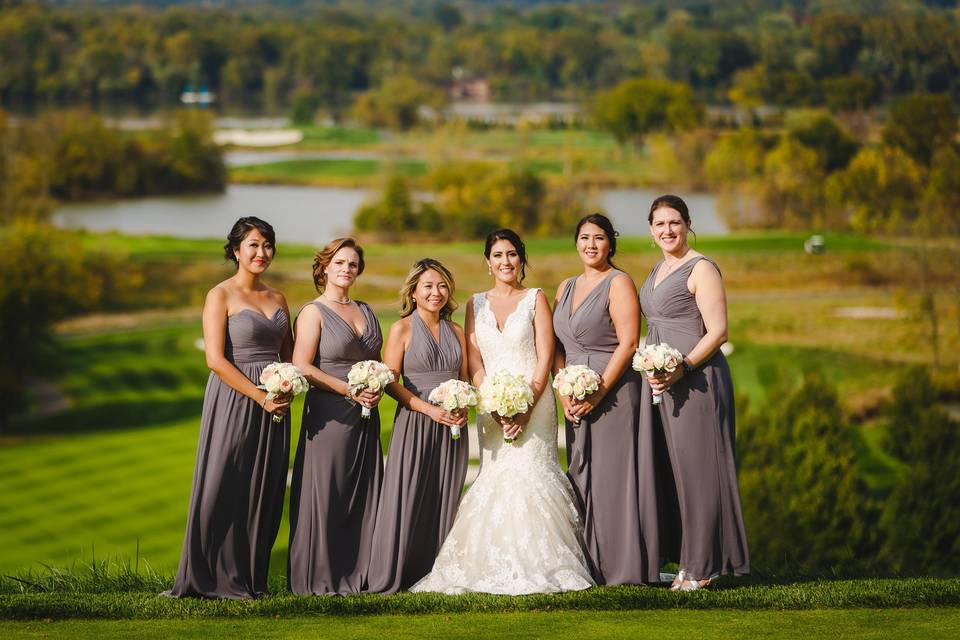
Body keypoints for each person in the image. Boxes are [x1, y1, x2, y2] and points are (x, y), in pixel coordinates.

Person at [412, 229, 594, 595]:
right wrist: (491, 402)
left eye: (512, 254)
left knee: (530, 471)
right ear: (488, 262)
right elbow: (475, 359)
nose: (505, 262)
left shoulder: (535, 299)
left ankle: (545, 563)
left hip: (535, 401)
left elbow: (545, 355)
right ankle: (485, 563)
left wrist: (527, 403)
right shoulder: (474, 304)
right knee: (495, 475)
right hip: (491, 404)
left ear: (521, 259)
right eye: (498, 255)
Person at [164, 217, 292, 599]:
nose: (261, 253)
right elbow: (216, 361)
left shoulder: (279, 298)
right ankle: (206, 577)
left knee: (264, 488)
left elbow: (288, 358)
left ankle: (250, 578)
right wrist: (259, 396)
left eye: (267, 245)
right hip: (235, 399)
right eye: (253, 245)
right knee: (224, 482)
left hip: (275, 405)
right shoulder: (219, 295)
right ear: (236, 250)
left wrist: (286, 389)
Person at [638, 195, 750, 591]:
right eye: (659, 224)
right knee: (678, 473)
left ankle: (702, 567)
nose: (667, 230)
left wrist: (682, 367)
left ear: (687, 224)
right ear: (651, 231)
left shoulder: (702, 268)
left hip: (698, 381)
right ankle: (688, 560)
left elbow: (718, 331)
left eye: (674, 222)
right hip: (665, 384)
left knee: (701, 473)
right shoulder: (658, 268)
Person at [553, 213, 664, 585]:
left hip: (614, 392)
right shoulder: (565, 287)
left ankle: (623, 567)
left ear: (610, 244)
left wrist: (598, 391)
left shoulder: (619, 283)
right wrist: (563, 387)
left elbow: (630, 342)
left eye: (599, 238)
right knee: (582, 475)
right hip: (574, 392)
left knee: (615, 477)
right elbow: (557, 347)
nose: (591, 244)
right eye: (584, 237)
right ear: (576, 242)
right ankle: (590, 565)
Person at [365, 259, 470, 594]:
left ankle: (434, 571)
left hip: (452, 425)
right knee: (407, 493)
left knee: (445, 492)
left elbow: (465, 377)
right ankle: (395, 571)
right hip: (415, 421)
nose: (435, 293)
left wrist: (463, 405)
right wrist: (427, 409)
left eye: (441, 286)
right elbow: (391, 382)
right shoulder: (402, 329)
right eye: (427, 286)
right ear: (413, 291)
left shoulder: (456, 331)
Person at [287, 238, 384, 595]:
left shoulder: (366, 310)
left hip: (366, 415)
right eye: (340, 262)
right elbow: (301, 365)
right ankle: (320, 576)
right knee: (328, 492)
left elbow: (378, 360)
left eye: (353, 264)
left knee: (362, 492)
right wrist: (347, 390)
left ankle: (361, 571)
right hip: (329, 414)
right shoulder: (314, 311)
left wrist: (375, 385)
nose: (347, 269)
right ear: (325, 267)